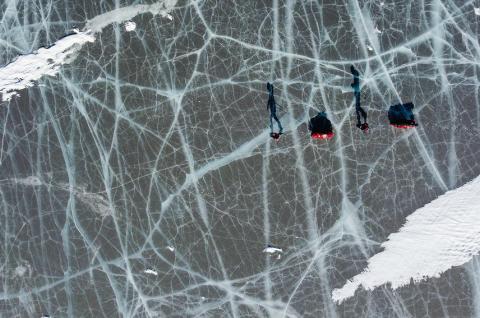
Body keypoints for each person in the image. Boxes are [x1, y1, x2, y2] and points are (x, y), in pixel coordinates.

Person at [350, 65, 368, 131]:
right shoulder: (363, 119)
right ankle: (356, 74)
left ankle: (356, 75)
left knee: (357, 91)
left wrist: (361, 126)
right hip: (359, 104)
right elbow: (363, 114)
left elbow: (358, 124)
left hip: (358, 104)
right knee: (357, 91)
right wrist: (361, 126)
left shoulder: (363, 120)